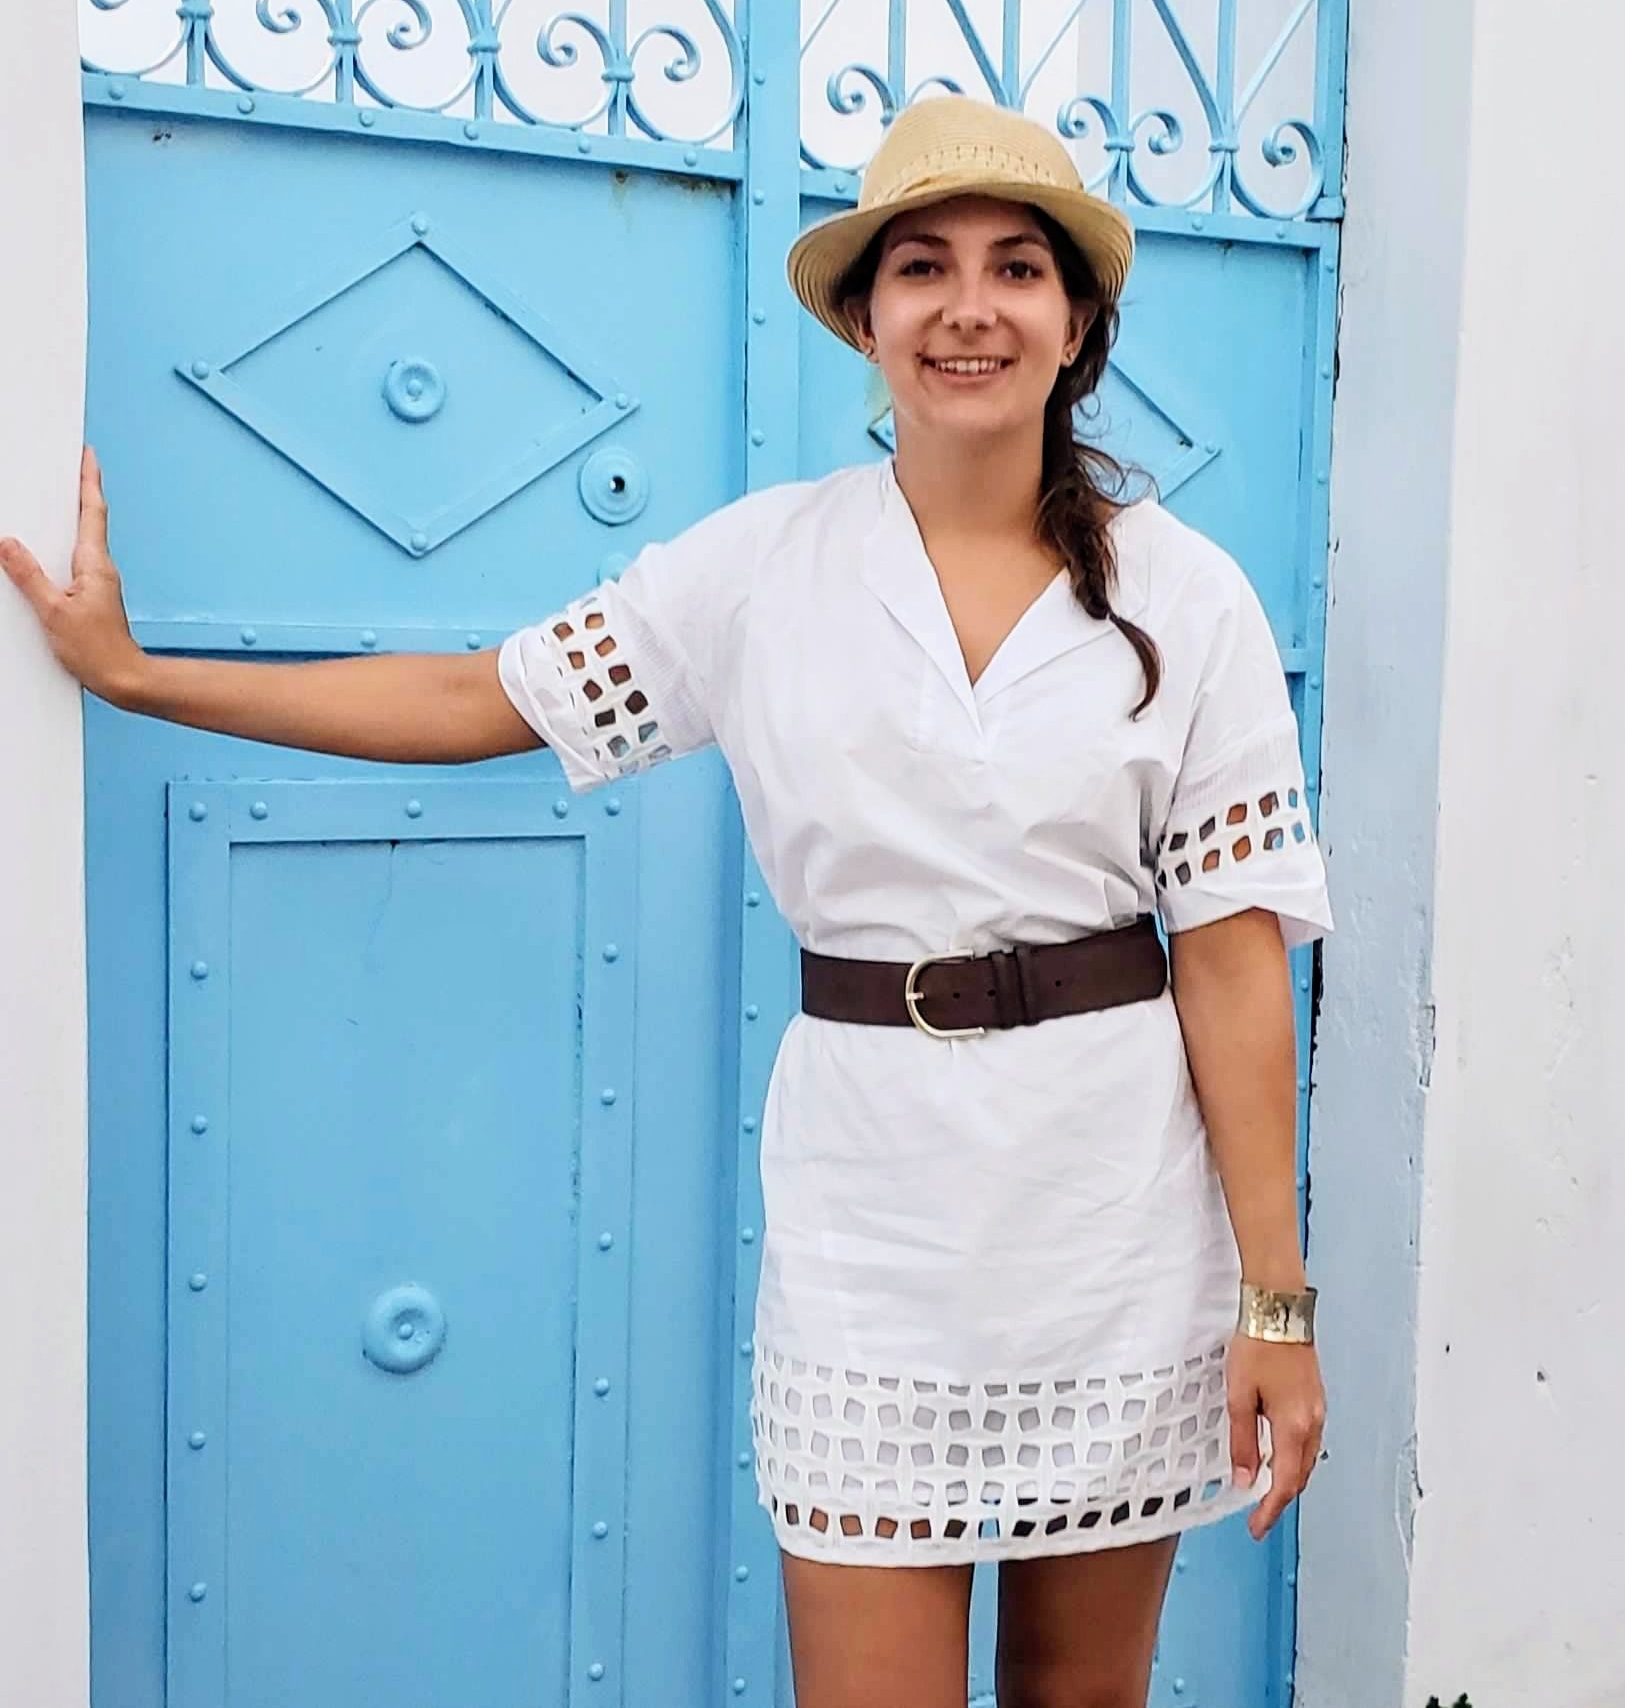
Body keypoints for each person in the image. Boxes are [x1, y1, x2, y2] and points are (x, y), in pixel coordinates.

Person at [2, 92, 1332, 1708]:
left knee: (1083, 1699)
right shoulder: (758, 571)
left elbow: (1235, 957)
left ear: (1077, 322)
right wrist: (145, 680)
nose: (969, 308)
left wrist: (1274, 1298)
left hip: (1119, 1225)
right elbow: (474, 698)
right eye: (921, 268)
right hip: (875, 1220)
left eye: (1016, 271)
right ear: (864, 316)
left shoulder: (1184, 595)